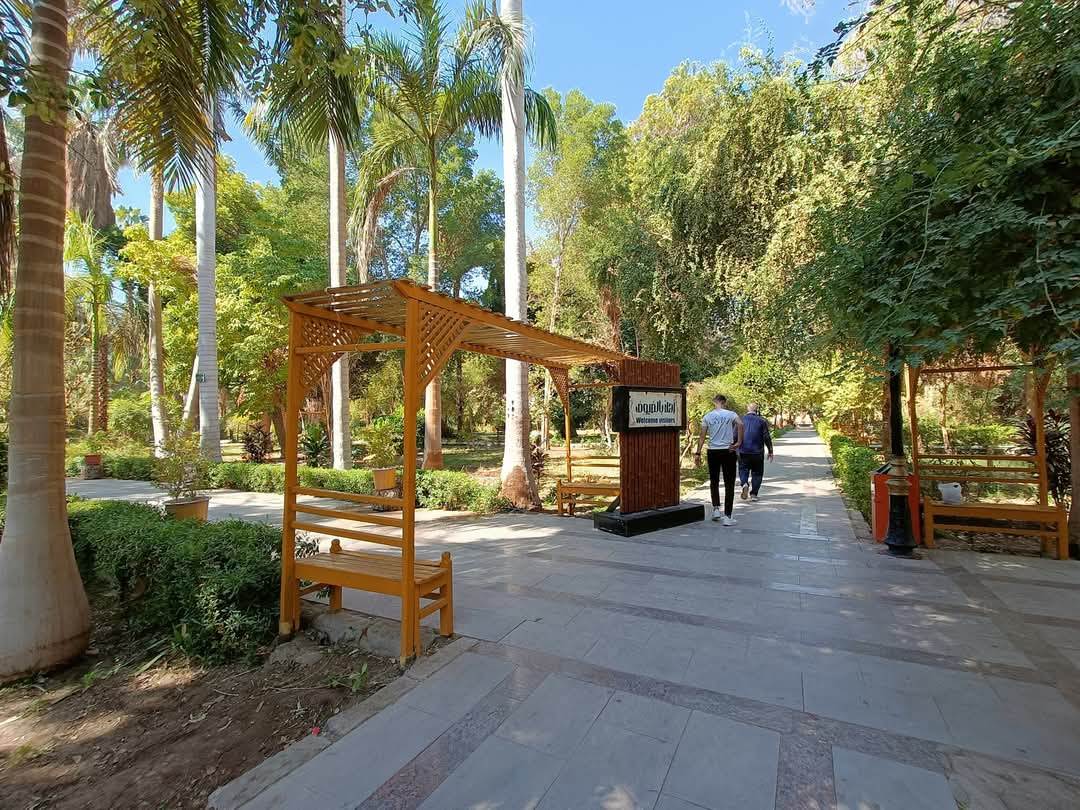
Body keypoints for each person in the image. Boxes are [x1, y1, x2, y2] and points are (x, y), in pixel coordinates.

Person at [694, 394, 743, 525]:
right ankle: (727, 516)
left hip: (712, 451)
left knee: (714, 481)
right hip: (728, 450)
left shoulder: (707, 416)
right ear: (724, 402)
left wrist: (697, 453)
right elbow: (740, 424)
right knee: (729, 483)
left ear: (714, 402)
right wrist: (738, 442)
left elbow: (702, 436)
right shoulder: (731, 414)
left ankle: (716, 509)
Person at [738, 403, 774, 502]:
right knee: (757, 473)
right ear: (756, 410)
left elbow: (735, 435)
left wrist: (733, 447)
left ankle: (744, 484)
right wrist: (770, 451)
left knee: (743, 469)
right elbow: (766, 437)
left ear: (747, 409)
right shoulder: (762, 421)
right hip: (757, 452)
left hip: (743, 451)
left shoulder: (740, 420)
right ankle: (754, 494)